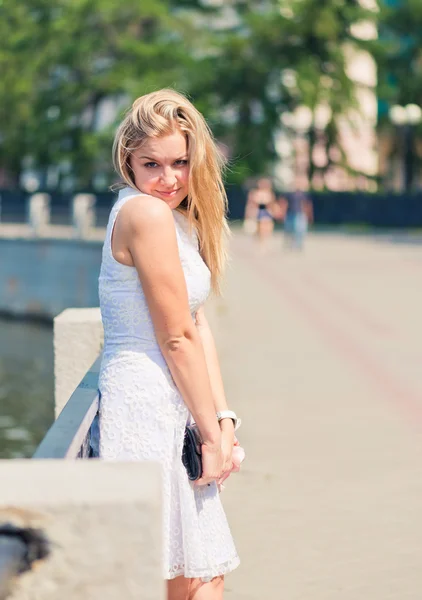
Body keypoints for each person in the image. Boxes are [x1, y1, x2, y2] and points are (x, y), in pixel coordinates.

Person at [98, 89, 240, 600]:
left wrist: (223, 420)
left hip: (175, 401)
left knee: (200, 573)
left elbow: (198, 325)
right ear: (128, 161)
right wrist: (210, 434)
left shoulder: (173, 218)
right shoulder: (146, 215)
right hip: (145, 405)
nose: (169, 178)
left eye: (180, 162)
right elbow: (175, 336)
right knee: (180, 577)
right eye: (151, 164)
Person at [246, 177, 278, 250]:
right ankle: (260, 241)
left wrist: (273, 211)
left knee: (267, 227)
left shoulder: (270, 193)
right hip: (259, 211)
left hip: (266, 212)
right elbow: (251, 204)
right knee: (259, 228)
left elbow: (272, 204)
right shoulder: (255, 193)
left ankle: (265, 241)